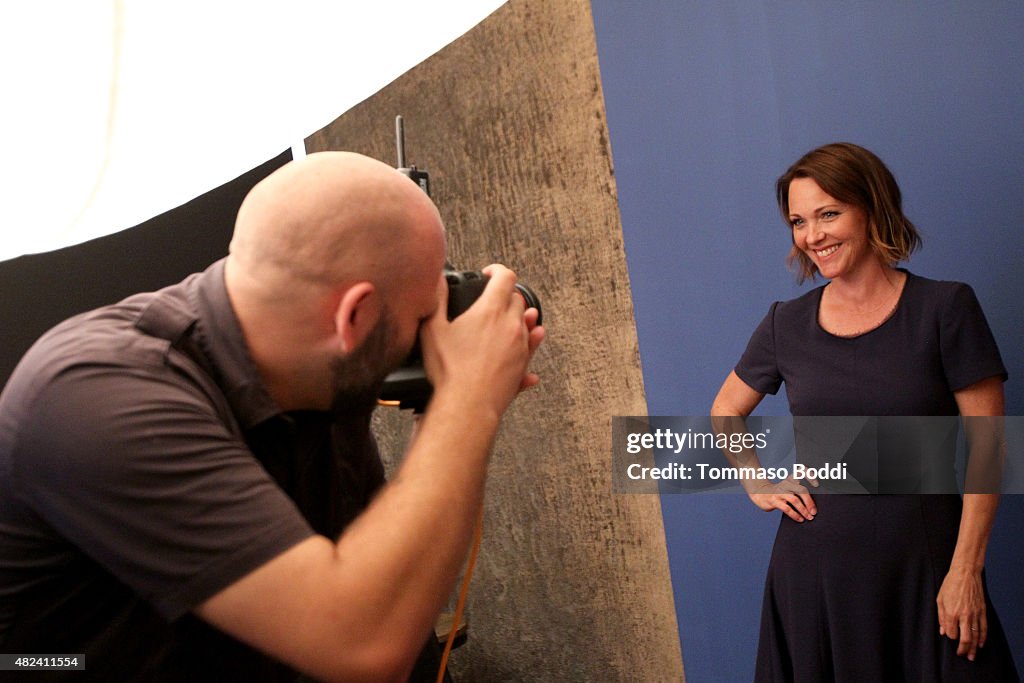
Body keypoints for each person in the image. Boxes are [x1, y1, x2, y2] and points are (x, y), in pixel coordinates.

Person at [0, 151, 545, 680]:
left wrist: (451, 400)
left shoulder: (316, 377)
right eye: (422, 317)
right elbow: (362, 646)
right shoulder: (101, 399)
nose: (430, 337)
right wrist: (467, 399)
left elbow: (385, 587)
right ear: (353, 316)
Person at [711, 143, 1019, 681]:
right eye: (799, 221)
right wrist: (756, 483)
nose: (813, 235)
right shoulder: (786, 323)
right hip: (815, 575)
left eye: (829, 213)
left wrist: (966, 570)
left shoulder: (946, 309)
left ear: (871, 207)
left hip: (926, 570)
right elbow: (725, 412)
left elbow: (990, 450)